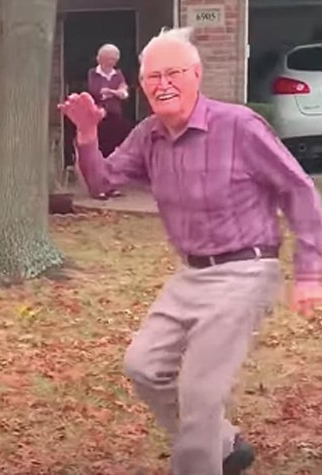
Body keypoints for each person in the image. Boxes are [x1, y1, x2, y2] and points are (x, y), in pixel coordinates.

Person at [59, 27, 322, 475]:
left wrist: (311, 270)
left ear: (197, 75)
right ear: (141, 86)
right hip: (190, 274)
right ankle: (221, 442)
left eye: (174, 73)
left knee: (200, 392)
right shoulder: (149, 135)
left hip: (246, 270)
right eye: (153, 76)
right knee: (143, 367)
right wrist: (86, 136)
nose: (164, 84)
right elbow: (102, 183)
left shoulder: (239, 126)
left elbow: (298, 189)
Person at [87, 43, 132, 199]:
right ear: (100, 58)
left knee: (113, 152)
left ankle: (111, 186)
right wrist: (116, 92)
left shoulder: (118, 74)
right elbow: (96, 92)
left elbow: (124, 94)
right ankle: (98, 187)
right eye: (108, 59)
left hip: (114, 116)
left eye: (114, 59)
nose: (111, 62)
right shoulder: (93, 73)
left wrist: (112, 92)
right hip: (98, 116)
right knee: (97, 151)